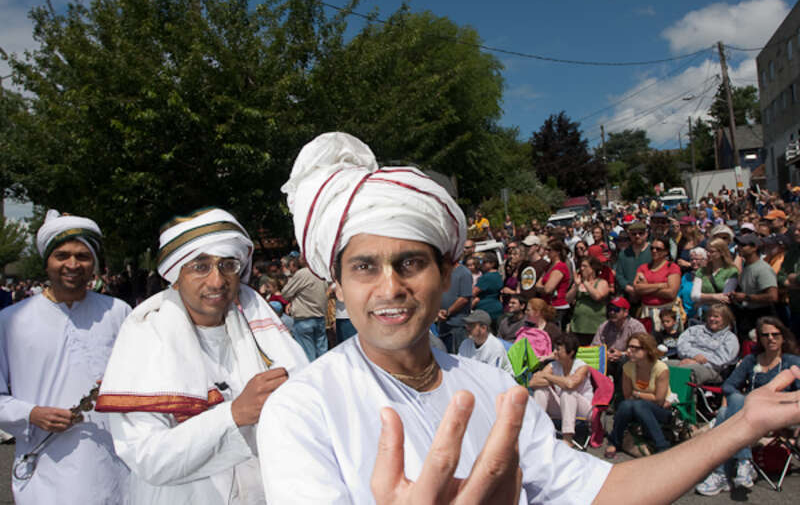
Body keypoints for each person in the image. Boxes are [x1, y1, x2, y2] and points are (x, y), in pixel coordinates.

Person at [258, 132, 800, 505]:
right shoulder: (302, 409)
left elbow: (598, 492)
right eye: (364, 267)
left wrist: (741, 426)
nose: (390, 287)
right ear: (339, 286)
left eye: (410, 262)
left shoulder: (493, 386)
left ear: (447, 274)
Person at [96, 208, 308, 504]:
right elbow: (148, 458)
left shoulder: (261, 331)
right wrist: (233, 415)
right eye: (200, 266)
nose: (217, 281)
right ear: (175, 276)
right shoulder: (147, 338)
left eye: (227, 265)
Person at [0, 210, 131, 505]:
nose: (72, 265)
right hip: (46, 466)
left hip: (111, 464)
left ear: (93, 263)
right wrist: (31, 413)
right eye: (62, 255)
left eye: (82, 256)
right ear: (47, 261)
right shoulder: (10, 321)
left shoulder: (119, 312)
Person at [695, 317, 800, 496]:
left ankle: (721, 473)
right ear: (759, 338)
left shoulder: (792, 362)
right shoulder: (752, 360)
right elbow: (729, 385)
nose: (771, 338)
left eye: (775, 334)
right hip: (748, 413)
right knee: (732, 404)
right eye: (765, 335)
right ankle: (743, 463)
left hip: (777, 415)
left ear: (783, 337)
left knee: (726, 412)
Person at [605, 332, 673, 457]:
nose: (629, 351)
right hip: (636, 407)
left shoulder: (661, 368)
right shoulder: (628, 367)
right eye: (629, 347)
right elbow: (627, 396)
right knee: (627, 405)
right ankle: (616, 440)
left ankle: (661, 445)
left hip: (661, 410)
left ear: (647, 350)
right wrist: (641, 396)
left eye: (634, 348)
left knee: (637, 405)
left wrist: (637, 394)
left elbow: (659, 400)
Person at [530, 333, 594, 448]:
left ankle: (567, 438)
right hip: (563, 406)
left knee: (568, 392)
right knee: (541, 390)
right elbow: (532, 382)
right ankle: (537, 431)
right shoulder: (553, 365)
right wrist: (556, 381)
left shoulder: (581, 366)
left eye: (558, 349)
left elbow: (570, 384)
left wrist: (548, 377)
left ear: (570, 352)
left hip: (584, 409)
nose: (554, 352)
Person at [670, 304, 739, 384]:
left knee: (686, 371)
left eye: (716, 316)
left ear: (725, 319)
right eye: (710, 316)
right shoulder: (695, 329)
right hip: (686, 360)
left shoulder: (730, 338)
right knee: (661, 366)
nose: (711, 318)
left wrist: (697, 361)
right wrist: (693, 356)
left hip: (712, 370)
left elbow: (721, 360)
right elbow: (681, 345)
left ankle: (679, 396)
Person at [729, 234, 778, 339]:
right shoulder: (746, 266)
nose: (739, 248)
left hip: (761, 315)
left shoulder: (763, 269)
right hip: (747, 315)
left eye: (743, 245)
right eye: (738, 244)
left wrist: (746, 297)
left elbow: (772, 296)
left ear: (754, 247)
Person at [281, 255, 330, 361]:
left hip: (304, 319)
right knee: (322, 353)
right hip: (320, 317)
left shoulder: (302, 273)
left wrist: (290, 279)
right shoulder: (321, 273)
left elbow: (285, 293)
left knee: (309, 356)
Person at [592, 297, 646, 382]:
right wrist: (605, 354)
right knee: (595, 362)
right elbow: (595, 346)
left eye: (616, 309)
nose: (612, 312)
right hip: (608, 359)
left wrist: (622, 354)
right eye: (610, 309)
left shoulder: (636, 326)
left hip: (629, 360)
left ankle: (622, 392)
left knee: (624, 362)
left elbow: (643, 349)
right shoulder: (604, 326)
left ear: (626, 312)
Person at [633, 237, 680, 333]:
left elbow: (671, 293)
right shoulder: (643, 268)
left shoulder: (672, 267)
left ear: (666, 251)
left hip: (666, 313)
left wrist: (646, 287)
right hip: (646, 313)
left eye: (658, 249)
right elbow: (637, 288)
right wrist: (660, 285)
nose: (654, 251)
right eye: (652, 248)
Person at [566, 256, 609, 346]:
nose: (581, 269)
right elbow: (568, 299)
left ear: (592, 268)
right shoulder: (578, 283)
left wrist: (585, 282)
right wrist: (576, 286)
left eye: (585, 266)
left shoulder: (602, 283)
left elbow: (597, 296)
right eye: (581, 266)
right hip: (578, 326)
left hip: (595, 326)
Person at [691, 238, 738, 312]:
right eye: (707, 251)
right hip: (703, 312)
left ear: (721, 252)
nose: (708, 254)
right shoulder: (702, 271)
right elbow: (694, 295)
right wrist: (714, 297)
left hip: (721, 312)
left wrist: (703, 299)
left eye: (712, 251)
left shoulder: (731, 271)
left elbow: (725, 298)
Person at [458, 310, 513, 375]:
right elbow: (459, 367)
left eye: (471, 325)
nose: (467, 328)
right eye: (467, 325)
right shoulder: (465, 343)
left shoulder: (496, 347)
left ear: (483, 328)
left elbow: (492, 377)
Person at [437, 260, 472, 353]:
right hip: (443, 324)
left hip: (457, 326)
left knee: (457, 355)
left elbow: (464, 298)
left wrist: (448, 312)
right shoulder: (441, 272)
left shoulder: (464, 273)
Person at [535, 239, 572, 328]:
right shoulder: (548, 266)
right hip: (547, 305)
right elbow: (537, 285)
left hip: (557, 307)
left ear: (557, 252)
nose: (546, 252)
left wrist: (542, 288)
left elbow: (548, 289)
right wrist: (542, 288)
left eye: (549, 250)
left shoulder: (560, 266)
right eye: (546, 249)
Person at [614, 221, 652, 304]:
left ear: (646, 234)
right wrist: (628, 288)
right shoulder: (623, 253)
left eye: (640, 233)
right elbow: (619, 274)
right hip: (628, 296)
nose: (637, 236)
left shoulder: (653, 251)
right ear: (630, 235)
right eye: (634, 234)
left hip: (649, 295)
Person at [472, 254, 503, 325]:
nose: (481, 264)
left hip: (486, 310)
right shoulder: (497, 275)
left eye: (484, 262)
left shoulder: (487, 277)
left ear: (492, 264)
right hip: (496, 309)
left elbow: (473, 292)